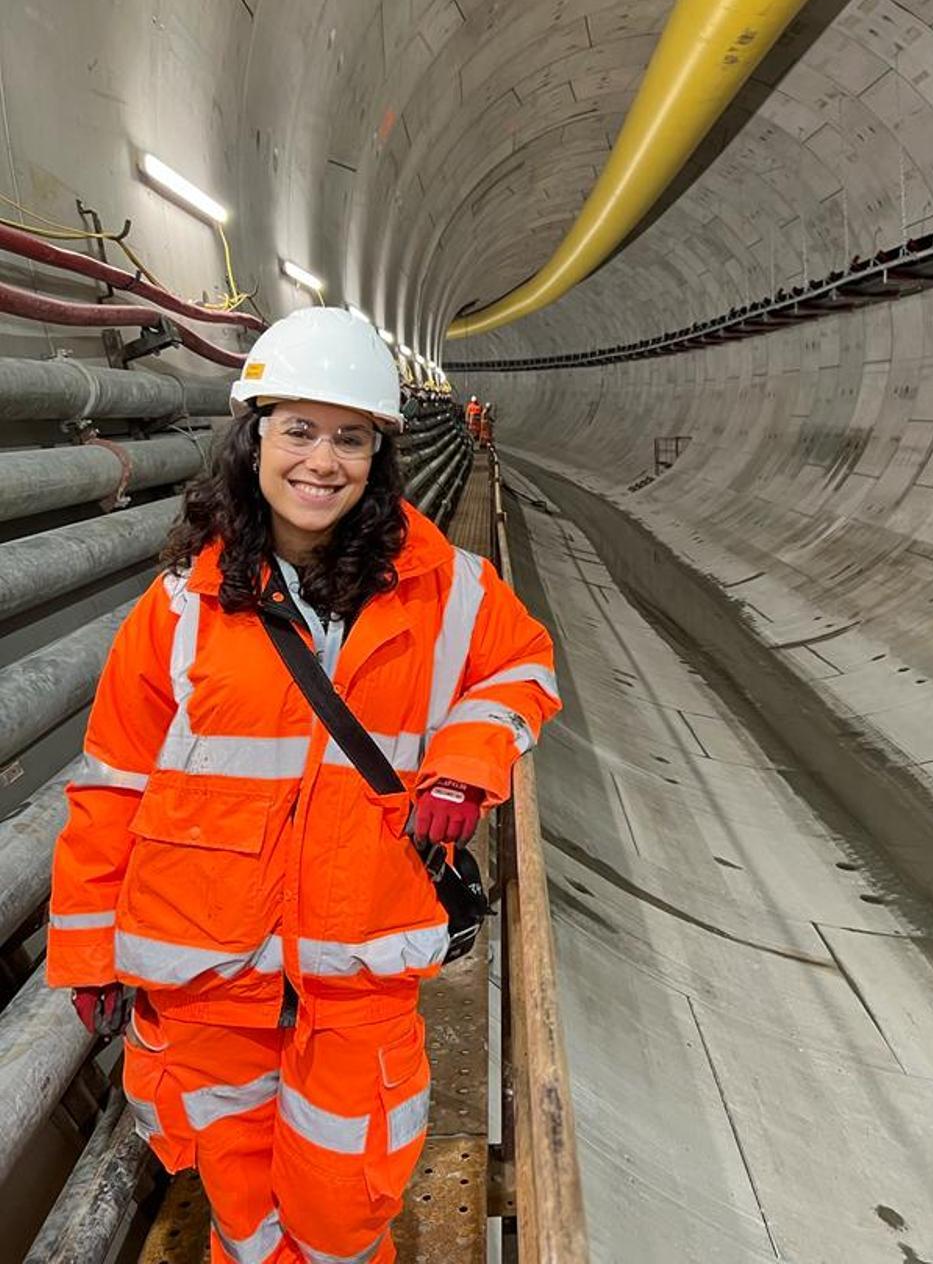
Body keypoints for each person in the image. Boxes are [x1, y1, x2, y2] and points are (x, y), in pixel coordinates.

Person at [46, 307, 560, 1264]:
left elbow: (524, 671)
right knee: (239, 1201)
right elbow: (111, 785)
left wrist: (467, 759)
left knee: (344, 1201)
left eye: (350, 437)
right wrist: (85, 953)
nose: (322, 461)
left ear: (379, 455)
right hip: (207, 977)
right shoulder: (181, 612)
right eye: (299, 430)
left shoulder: (443, 588)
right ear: (252, 441)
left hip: (354, 968)